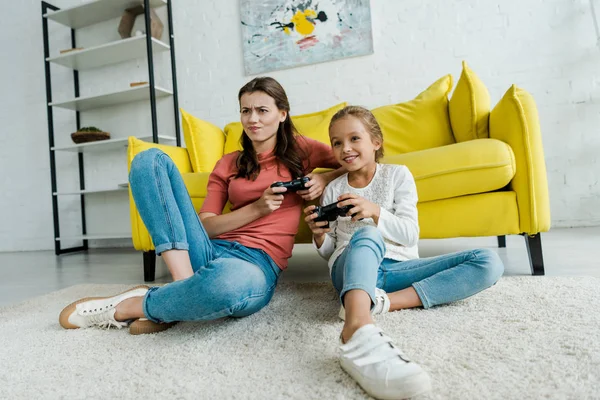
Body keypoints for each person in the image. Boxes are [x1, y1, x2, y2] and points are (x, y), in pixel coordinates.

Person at [59, 77, 343, 334]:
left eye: (262, 110)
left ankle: (132, 306)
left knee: (226, 286)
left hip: (256, 263)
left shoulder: (302, 149)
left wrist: (323, 177)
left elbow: (359, 161)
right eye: (245, 111)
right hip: (207, 249)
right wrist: (257, 208)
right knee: (148, 161)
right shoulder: (228, 163)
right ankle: (184, 288)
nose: (252, 119)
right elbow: (205, 225)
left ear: (282, 114)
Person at [303, 105, 504, 399]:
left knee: (488, 261)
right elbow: (331, 252)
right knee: (366, 236)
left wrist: (375, 212)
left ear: (376, 141)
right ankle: (357, 326)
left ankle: (380, 302)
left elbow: (410, 234)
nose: (345, 148)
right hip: (350, 269)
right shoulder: (333, 189)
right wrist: (319, 236)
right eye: (337, 142)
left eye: (354, 139)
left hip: (397, 268)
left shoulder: (398, 176)